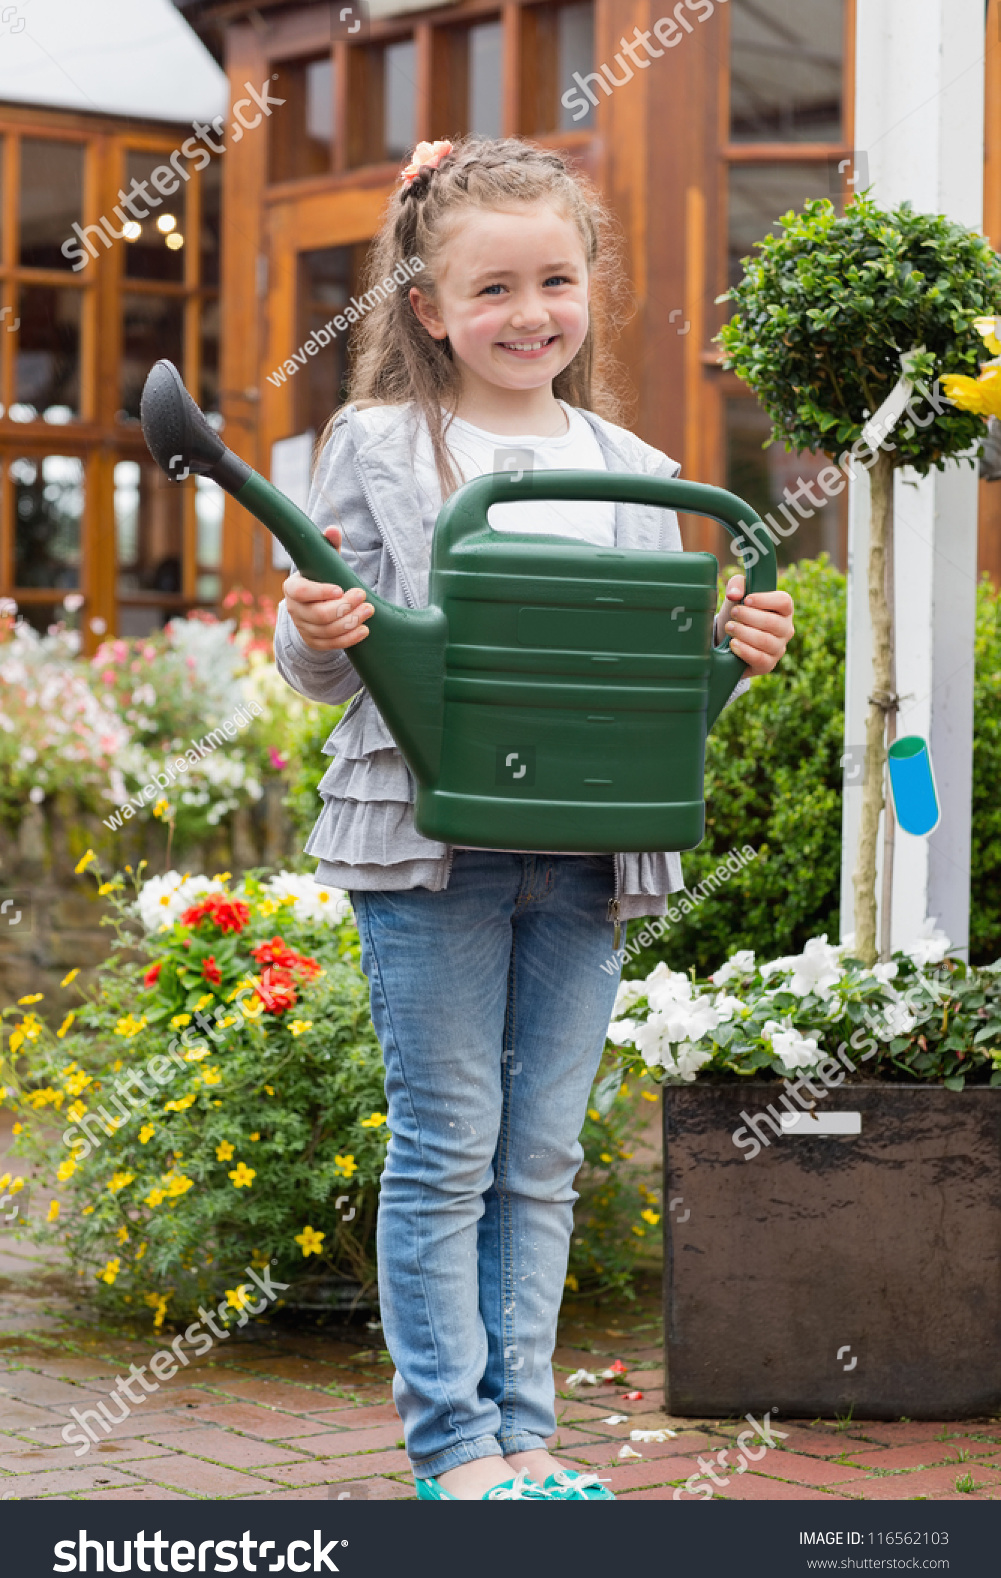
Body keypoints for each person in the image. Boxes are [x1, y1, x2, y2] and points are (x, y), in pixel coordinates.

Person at [274, 136, 794, 1501]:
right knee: (449, 1149)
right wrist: (307, 621)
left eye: (553, 280)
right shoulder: (377, 447)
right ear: (429, 307)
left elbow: (643, 698)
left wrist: (725, 657)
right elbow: (329, 667)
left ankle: (529, 1441)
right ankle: (456, 1449)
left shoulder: (635, 466)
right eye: (492, 288)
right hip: (425, 844)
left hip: (586, 852)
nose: (528, 314)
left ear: (589, 289)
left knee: (543, 1156)